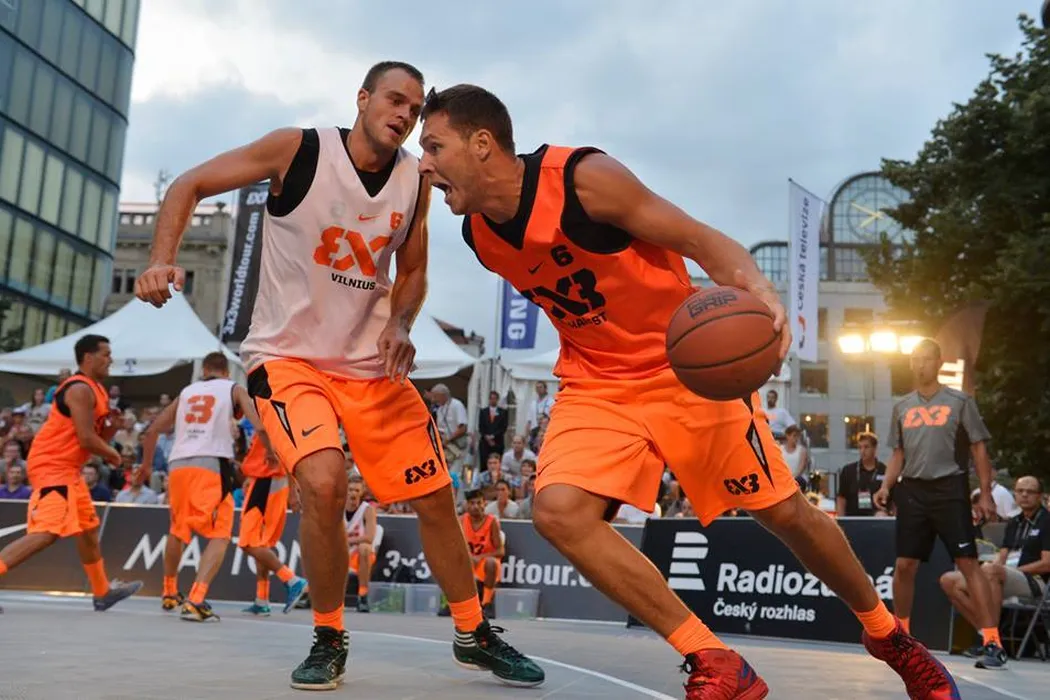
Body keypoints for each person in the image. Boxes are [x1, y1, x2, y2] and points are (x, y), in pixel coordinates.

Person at [418, 84, 960, 699]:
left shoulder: (583, 181)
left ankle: (888, 635)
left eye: (434, 147)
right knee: (558, 513)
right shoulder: (481, 237)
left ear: (481, 143)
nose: (424, 164)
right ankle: (714, 659)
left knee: (784, 513)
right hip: (598, 382)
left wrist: (758, 288)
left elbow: (699, 240)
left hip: (683, 370)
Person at [136, 62, 542, 691]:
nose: (404, 115)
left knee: (435, 494)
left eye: (414, 109)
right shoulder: (297, 150)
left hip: (370, 367)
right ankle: (328, 636)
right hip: (287, 359)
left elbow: (412, 270)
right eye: (395, 100)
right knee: (324, 482)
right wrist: (161, 259)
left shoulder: (414, 179)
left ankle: (473, 633)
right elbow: (190, 183)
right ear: (362, 98)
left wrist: (401, 323)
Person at [873, 338, 1004, 671]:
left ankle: (992, 641)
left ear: (939, 362)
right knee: (905, 565)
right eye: (916, 359)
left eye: (927, 359)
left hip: (950, 488)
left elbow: (978, 449)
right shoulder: (902, 406)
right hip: (913, 490)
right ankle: (902, 637)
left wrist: (985, 493)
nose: (920, 365)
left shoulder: (960, 401)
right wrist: (886, 485)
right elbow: (898, 453)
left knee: (968, 563)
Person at [0, 335, 142, 612]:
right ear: (88, 357)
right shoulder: (79, 389)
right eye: (106, 354)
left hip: (69, 468)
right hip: (53, 466)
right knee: (46, 532)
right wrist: (113, 455)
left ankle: (102, 592)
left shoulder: (96, 391)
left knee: (88, 529)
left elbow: (94, 436)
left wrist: (111, 429)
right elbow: (86, 438)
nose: (110, 359)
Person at [140, 351, 274, 622]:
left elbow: (153, 429)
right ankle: (196, 599)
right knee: (220, 533)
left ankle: (169, 592)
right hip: (211, 463)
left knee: (177, 529)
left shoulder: (187, 392)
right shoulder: (233, 388)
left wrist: (145, 466)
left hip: (178, 464)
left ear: (204, 370)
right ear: (226, 371)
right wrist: (271, 452)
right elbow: (259, 425)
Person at [940, 475, 1049, 669]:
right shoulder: (1014, 522)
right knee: (949, 580)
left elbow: (1047, 563)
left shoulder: (1046, 521)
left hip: (1036, 581)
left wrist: (1002, 569)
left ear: (1039, 496)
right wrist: (989, 568)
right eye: (1020, 491)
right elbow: (1003, 555)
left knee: (992, 571)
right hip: (1006, 575)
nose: (1024, 495)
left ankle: (992, 643)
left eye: (1030, 491)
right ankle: (988, 636)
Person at [238, 433, 309, 617]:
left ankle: (292, 580)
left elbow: (286, 452)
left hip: (267, 479)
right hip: (270, 480)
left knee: (248, 542)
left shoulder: (268, 422)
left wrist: (293, 490)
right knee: (261, 544)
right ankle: (262, 600)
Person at [461, 489, 504, 619]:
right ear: (467, 505)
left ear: (484, 504)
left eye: (479, 503)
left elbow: (501, 551)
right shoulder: (461, 521)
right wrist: (469, 557)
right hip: (468, 561)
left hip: (485, 563)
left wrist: (479, 558)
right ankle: (451, 602)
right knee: (450, 562)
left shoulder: (492, 522)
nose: (476, 506)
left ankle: (486, 603)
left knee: (491, 563)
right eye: (472, 503)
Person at [344, 476, 377, 613]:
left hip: (359, 553)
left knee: (365, 548)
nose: (353, 493)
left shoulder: (367, 509)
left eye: (357, 490)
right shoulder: (337, 508)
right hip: (342, 550)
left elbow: (369, 537)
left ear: (362, 492)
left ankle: (362, 595)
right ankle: (309, 591)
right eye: (350, 490)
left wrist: (346, 541)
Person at [836, 432, 888, 517]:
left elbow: (893, 501)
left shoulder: (884, 471)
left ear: (875, 448)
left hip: (876, 517)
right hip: (852, 517)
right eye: (860, 447)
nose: (862, 451)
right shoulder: (848, 470)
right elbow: (841, 498)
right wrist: (841, 519)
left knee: (881, 515)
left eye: (866, 447)